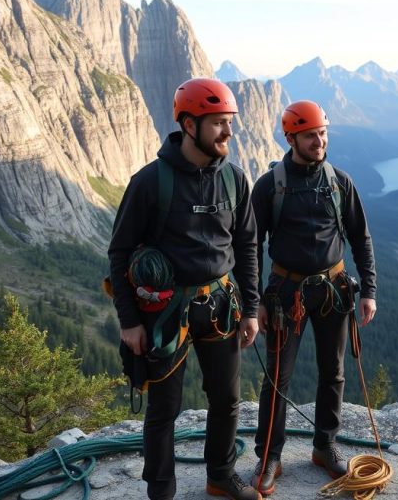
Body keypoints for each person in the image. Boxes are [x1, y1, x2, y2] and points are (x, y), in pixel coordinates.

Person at [108, 78, 263, 500]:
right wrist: (129, 322)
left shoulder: (234, 180)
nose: (229, 132)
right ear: (190, 124)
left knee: (227, 399)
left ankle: (220, 475)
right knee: (164, 409)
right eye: (218, 124)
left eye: (229, 123)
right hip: (165, 313)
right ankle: (161, 490)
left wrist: (252, 308)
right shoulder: (150, 182)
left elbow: (247, 245)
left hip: (220, 305)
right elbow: (119, 253)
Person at [249, 100, 377, 495]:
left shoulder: (339, 182)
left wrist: (369, 290)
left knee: (333, 372)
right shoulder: (271, 185)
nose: (319, 140)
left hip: (335, 290)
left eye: (322, 133)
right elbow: (251, 245)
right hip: (285, 293)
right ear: (291, 138)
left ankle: (325, 446)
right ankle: (270, 456)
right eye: (310, 135)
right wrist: (256, 299)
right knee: (278, 377)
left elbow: (360, 237)